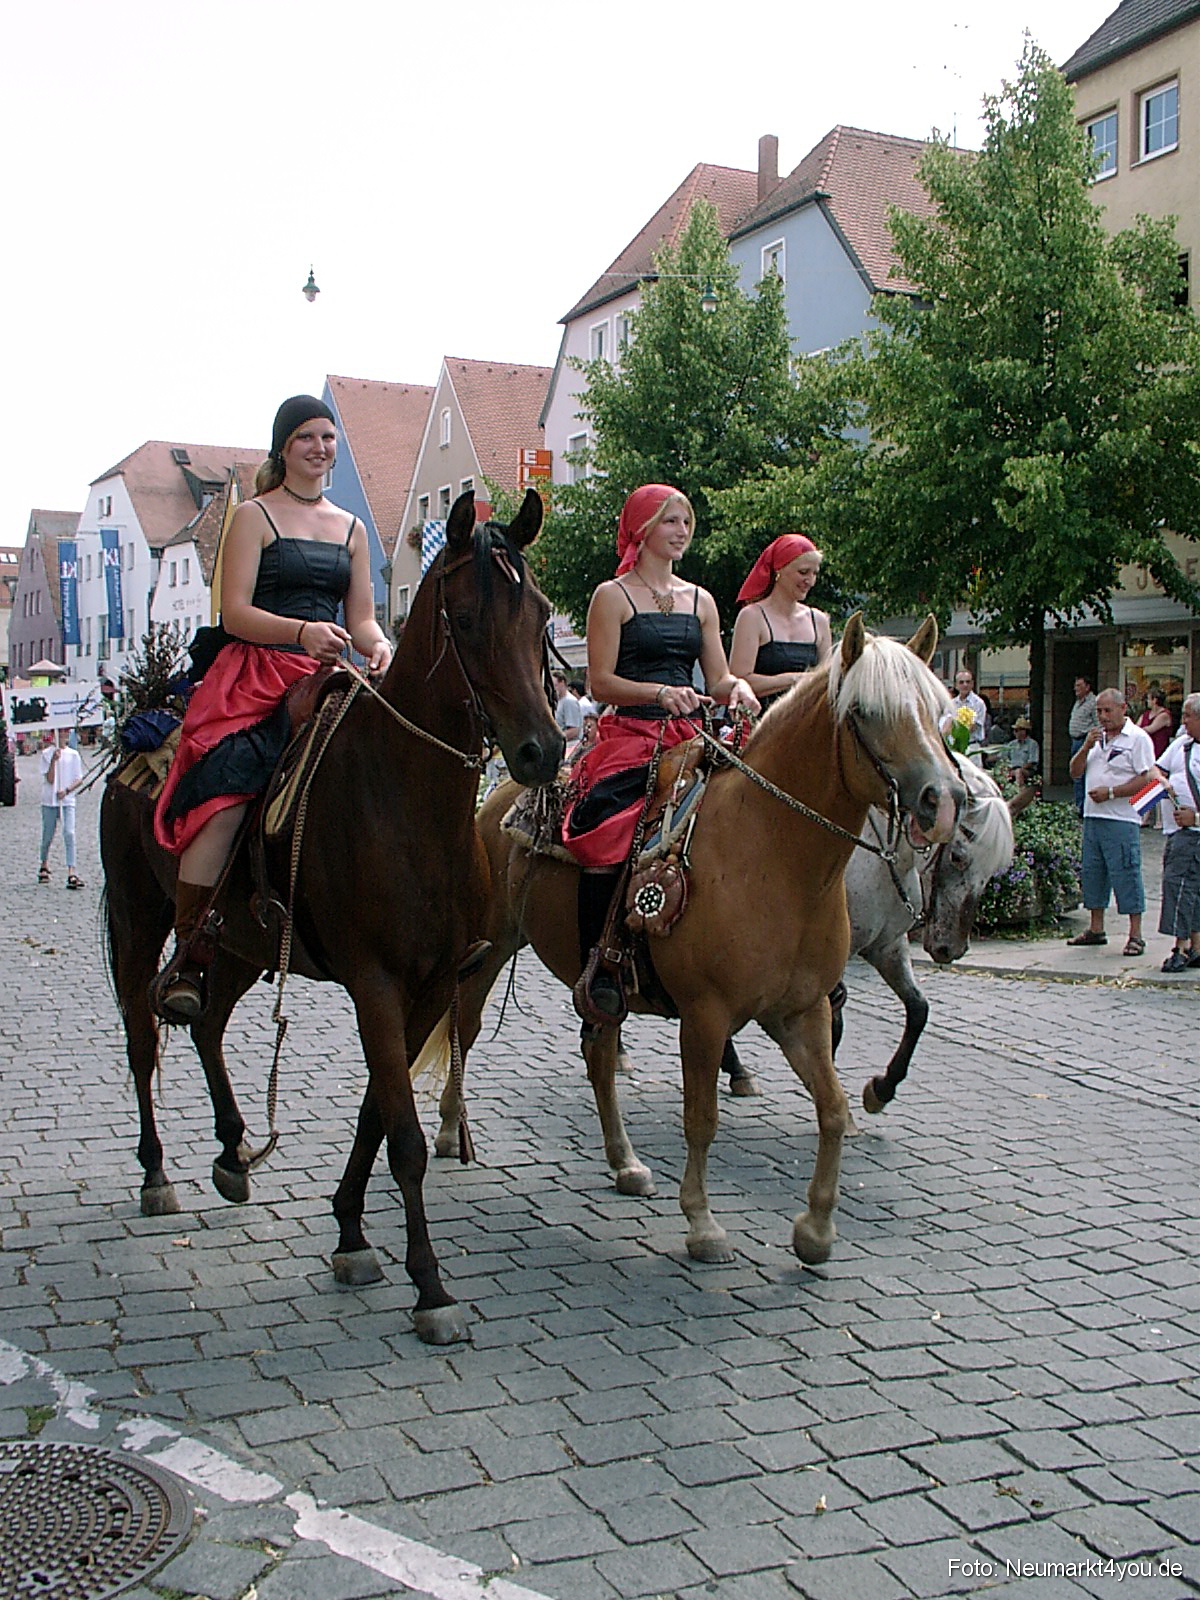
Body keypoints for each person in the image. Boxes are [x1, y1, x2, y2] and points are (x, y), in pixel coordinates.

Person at [151, 395, 392, 1022]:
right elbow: (234, 613)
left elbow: (361, 618)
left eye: (328, 438)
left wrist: (381, 645)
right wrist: (302, 633)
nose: (320, 447)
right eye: (308, 437)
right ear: (284, 448)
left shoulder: (352, 528)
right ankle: (192, 948)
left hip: (331, 674)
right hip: (257, 677)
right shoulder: (254, 517)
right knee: (226, 794)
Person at [563, 484, 758, 1019]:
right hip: (631, 734)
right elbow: (599, 681)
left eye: (686, 523)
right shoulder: (613, 595)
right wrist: (658, 693)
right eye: (671, 522)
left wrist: (737, 688)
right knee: (608, 825)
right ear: (644, 529)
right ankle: (599, 963)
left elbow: (717, 677)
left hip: (692, 735)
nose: (681, 532)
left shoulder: (702, 600)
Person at [1066, 687, 1155, 957]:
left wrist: (1113, 793)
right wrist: (1085, 747)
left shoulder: (1137, 739)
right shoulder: (1095, 739)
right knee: (1093, 874)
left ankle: (1136, 934)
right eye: (1099, 712)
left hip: (1121, 818)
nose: (1103, 717)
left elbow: (1148, 778)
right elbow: (1074, 771)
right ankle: (1096, 928)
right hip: (1093, 817)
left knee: (1125, 872)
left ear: (1123, 708)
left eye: (1108, 711)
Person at [728, 534, 833, 707]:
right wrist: (793, 679)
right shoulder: (752, 616)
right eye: (803, 572)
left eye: (814, 574)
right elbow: (739, 680)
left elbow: (827, 680)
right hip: (761, 720)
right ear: (779, 570)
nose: (810, 581)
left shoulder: (819, 620)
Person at [1154, 692, 1200, 972]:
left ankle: (1181, 948)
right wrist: (1163, 783)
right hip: (1177, 833)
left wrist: (1195, 817)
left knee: (1182, 889)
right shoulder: (1182, 745)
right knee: (1184, 889)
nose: (1183, 721)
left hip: (1193, 832)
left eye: (1187, 716)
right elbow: (1156, 770)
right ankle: (1193, 946)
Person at [38, 728, 85, 889]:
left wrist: (66, 791)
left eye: (65, 733)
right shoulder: (46, 753)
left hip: (67, 799)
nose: (62, 736)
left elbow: (79, 779)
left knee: (69, 833)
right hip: (49, 801)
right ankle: (44, 863)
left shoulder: (73, 755)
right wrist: (53, 760)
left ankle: (72, 871)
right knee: (48, 834)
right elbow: (50, 779)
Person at [1068, 674, 1099, 816]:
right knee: (1076, 774)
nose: (1076, 689)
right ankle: (1078, 804)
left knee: (1083, 775)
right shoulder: (1078, 702)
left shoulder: (1093, 702)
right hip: (1075, 740)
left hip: (1085, 740)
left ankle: (1083, 807)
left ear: (1087, 687)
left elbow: (1098, 724)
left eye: (1079, 686)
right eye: (1075, 685)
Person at [939, 668, 988, 750]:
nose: (965, 685)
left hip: (972, 746)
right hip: (954, 747)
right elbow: (946, 726)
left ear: (972, 684)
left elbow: (972, 727)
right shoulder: (951, 704)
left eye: (968, 682)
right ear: (956, 685)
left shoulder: (979, 703)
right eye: (961, 682)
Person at [989, 715, 1039, 786]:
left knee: (1018, 772)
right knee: (995, 773)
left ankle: (1019, 790)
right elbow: (1002, 756)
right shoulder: (1012, 744)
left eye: (1019, 730)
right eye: (1015, 730)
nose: (1017, 733)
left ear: (1025, 731)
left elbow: (1032, 761)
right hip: (1011, 769)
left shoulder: (1032, 744)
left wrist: (1019, 768)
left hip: (1027, 770)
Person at [1138, 687, 1174, 762]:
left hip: (1158, 754)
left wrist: (1137, 730)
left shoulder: (1164, 715)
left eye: (1148, 699)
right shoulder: (1145, 714)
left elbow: (1150, 729)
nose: (1147, 701)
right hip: (1144, 752)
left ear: (1154, 700)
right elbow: (1135, 727)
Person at [552, 670, 583, 751]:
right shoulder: (559, 701)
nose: (553, 689)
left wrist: (555, 739)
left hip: (570, 746)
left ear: (562, 682)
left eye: (555, 685)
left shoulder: (569, 701)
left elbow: (574, 730)